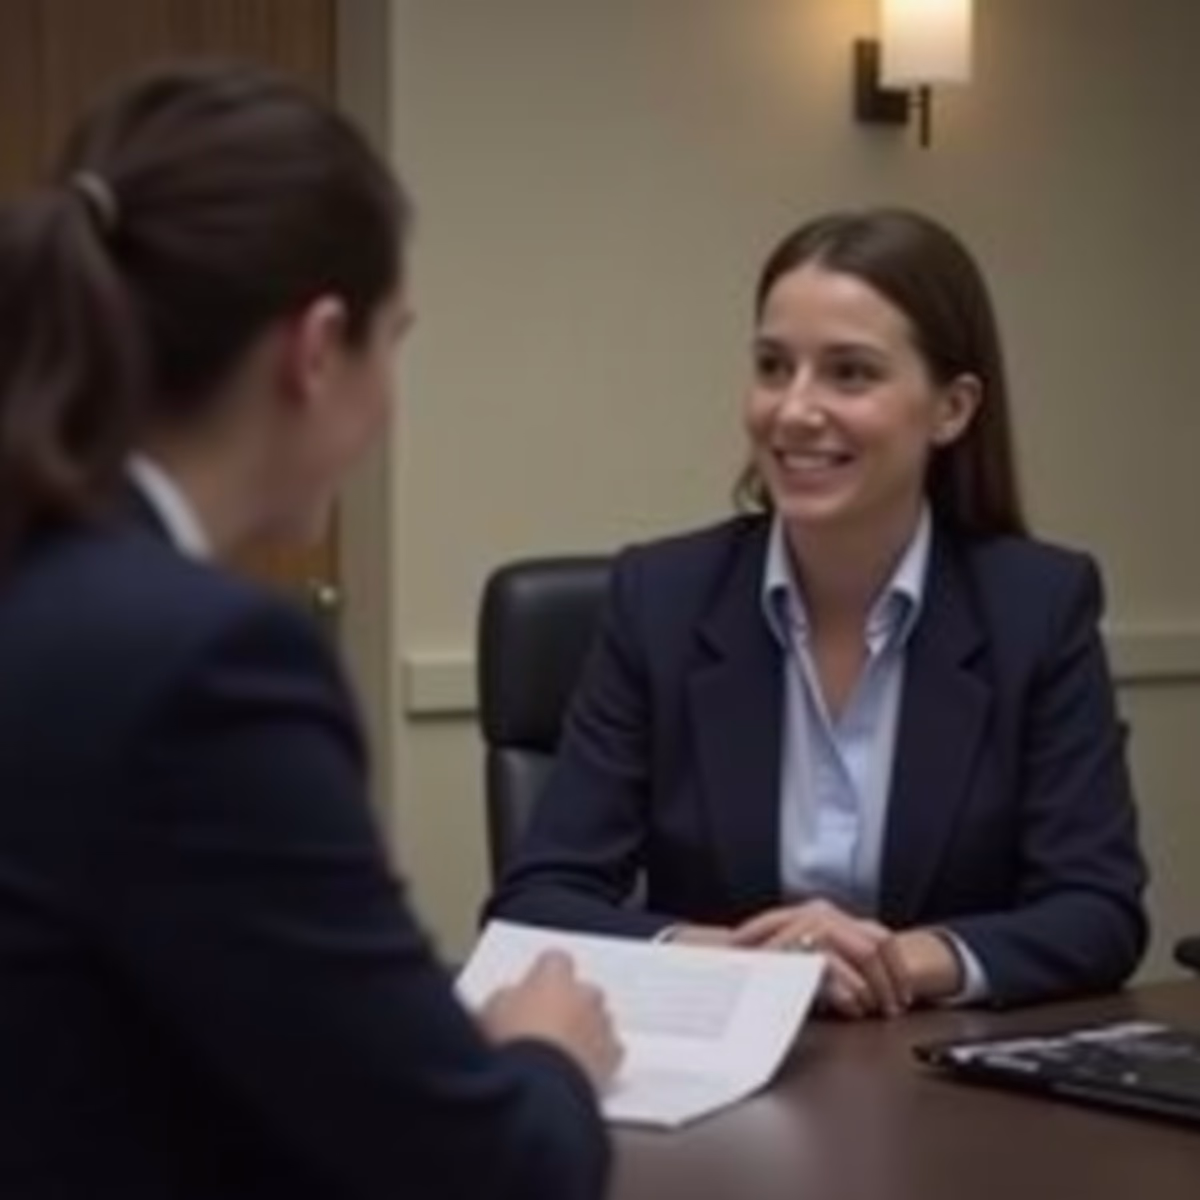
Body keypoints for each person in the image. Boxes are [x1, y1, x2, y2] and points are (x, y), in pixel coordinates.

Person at [0, 60, 620, 1199]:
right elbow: (487, 1176)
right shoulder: (201, 663)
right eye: (398, 340)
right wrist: (548, 1053)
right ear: (319, 347)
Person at [485, 207, 1148, 1017]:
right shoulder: (659, 600)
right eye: (773, 366)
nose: (794, 410)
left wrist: (893, 958)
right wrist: (744, 960)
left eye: (850, 373)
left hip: (947, 1091)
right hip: (720, 1088)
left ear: (952, 409)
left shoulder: (1036, 609)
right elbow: (536, 901)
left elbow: (1097, 912)